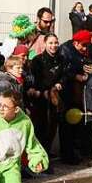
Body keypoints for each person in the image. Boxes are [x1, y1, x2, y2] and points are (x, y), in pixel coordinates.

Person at [58, 30, 92, 164]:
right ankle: (68, 155)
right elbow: (63, 71)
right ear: (75, 43)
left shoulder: (82, 51)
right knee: (68, 124)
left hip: (80, 93)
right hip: (68, 93)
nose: (85, 48)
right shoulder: (65, 51)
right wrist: (76, 76)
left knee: (77, 123)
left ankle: (76, 152)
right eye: (83, 46)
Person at [27, 33, 64, 167]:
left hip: (55, 98)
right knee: (41, 128)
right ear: (45, 44)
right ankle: (40, 159)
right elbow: (35, 79)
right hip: (41, 98)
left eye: (55, 43)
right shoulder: (38, 60)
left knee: (52, 127)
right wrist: (42, 91)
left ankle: (47, 153)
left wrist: (60, 83)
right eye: (50, 43)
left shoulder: (61, 59)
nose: (53, 46)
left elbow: (64, 75)